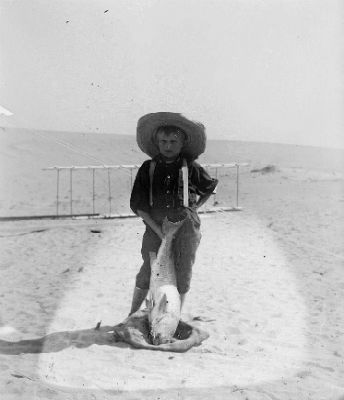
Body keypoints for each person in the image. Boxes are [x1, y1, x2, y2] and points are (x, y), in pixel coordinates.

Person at [129, 112, 218, 315]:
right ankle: (132, 313)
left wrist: (193, 209)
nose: (168, 146)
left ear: (182, 144)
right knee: (148, 270)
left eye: (173, 141)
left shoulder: (191, 167)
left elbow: (209, 188)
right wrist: (159, 231)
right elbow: (139, 206)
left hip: (186, 229)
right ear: (156, 142)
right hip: (154, 228)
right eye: (163, 141)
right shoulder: (148, 168)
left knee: (183, 271)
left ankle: (173, 316)